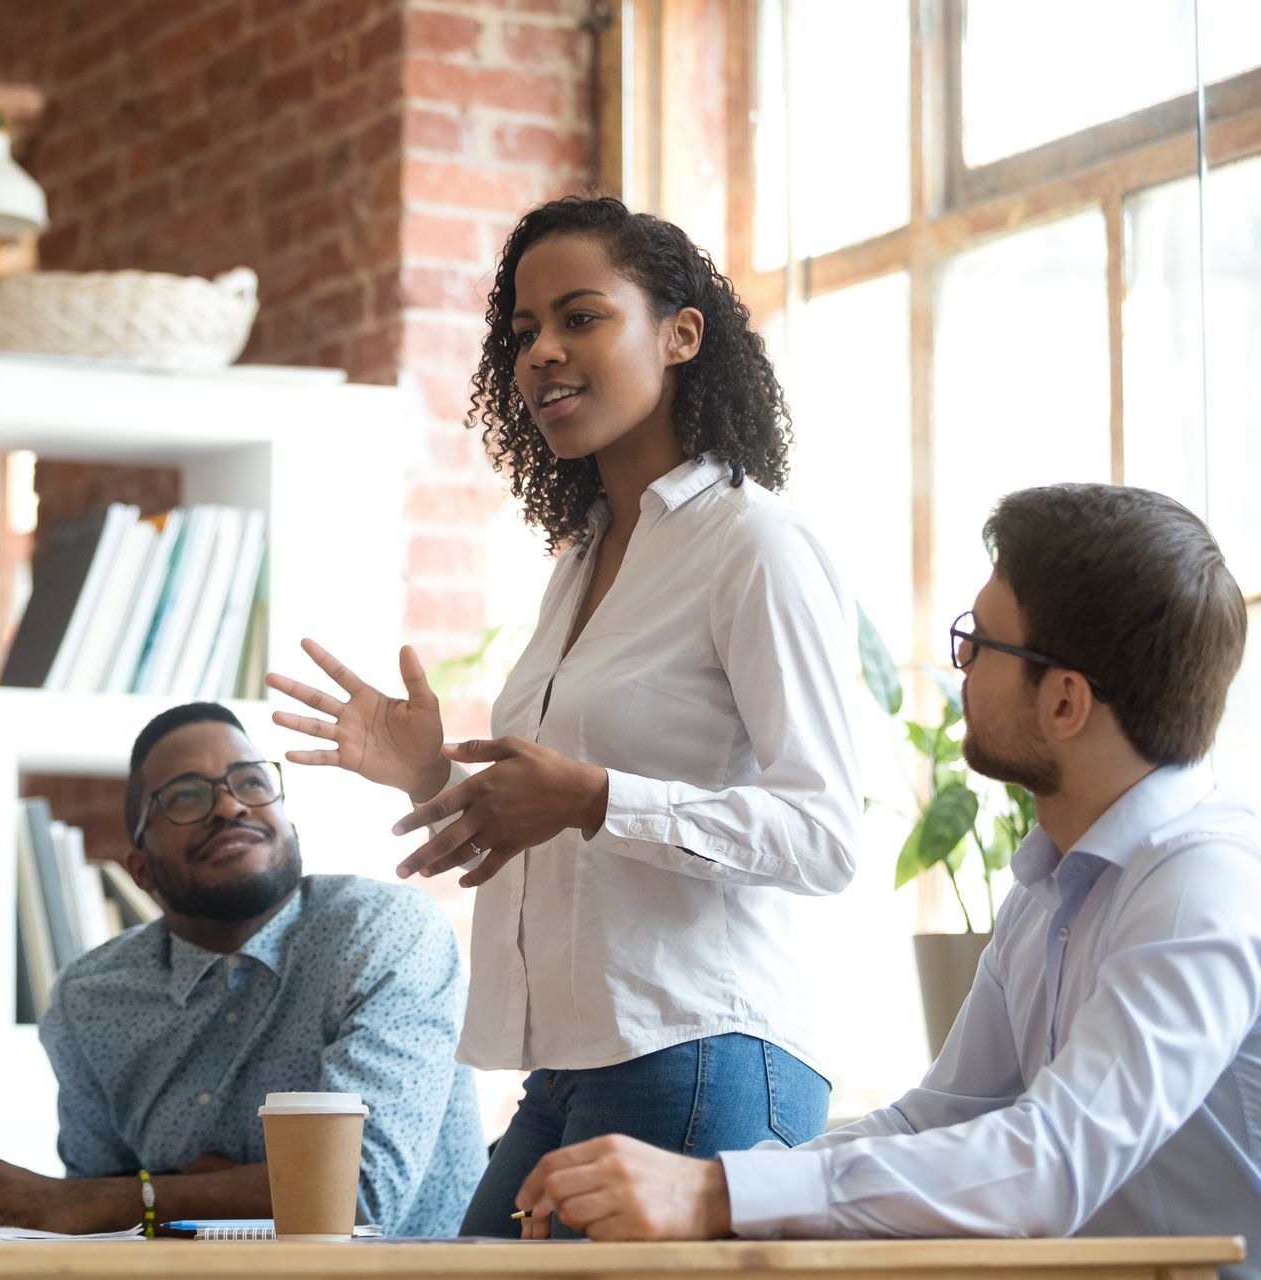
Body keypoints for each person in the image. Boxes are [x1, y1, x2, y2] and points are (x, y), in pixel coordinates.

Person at [266, 195, 861, 1237]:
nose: (541, 352)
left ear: (681, 334)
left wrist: (592, 796)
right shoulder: (583, 562)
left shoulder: (752, 546)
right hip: (576, 1063)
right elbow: (560, 818)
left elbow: (824, 833)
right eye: (523, 331)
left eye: (580, 317)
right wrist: (428, 777)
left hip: (707, 1048)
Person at [513, 484, 1260, 1268]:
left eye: (980, 644)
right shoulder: (1053, 887)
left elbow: (1049, 1163)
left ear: (1066, 702)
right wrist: (711, 1183)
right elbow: (931, 1121)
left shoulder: (1202, 886)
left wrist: (716, 1197)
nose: (959, 665)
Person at [0, 702, 484, 1237]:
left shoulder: (383, 932)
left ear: (291, 828)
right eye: (185, 797)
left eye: (253, 783)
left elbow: (353, 1196)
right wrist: (182, 1195)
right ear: (141, 869)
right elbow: (100, 1227)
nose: (230, 805)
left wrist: (143, 1198)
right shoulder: (89, 999)